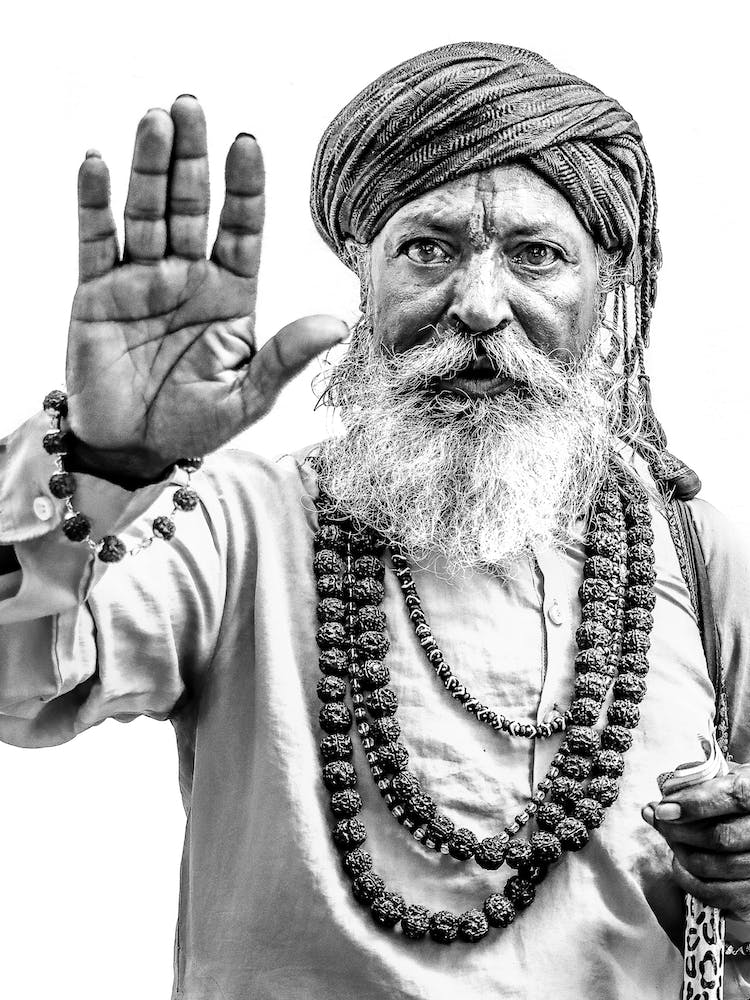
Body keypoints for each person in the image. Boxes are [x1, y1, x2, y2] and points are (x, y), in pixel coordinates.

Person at [0, 39, 749, 1000]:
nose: (479, 306)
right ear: (364, 275)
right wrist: (107, 466)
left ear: (609, 287)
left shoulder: (697, 550)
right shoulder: (235, 522)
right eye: (428, 250)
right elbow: (20, 678)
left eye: (538, 255)